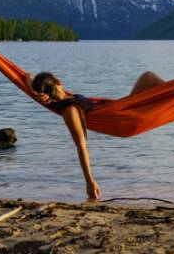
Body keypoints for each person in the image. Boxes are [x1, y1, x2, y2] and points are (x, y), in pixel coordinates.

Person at [29, 70, 165, 201]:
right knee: (150, 79)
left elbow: (28, 76)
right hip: (123, 121)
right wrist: (89, 181)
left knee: (148, 77)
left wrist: (37, 94)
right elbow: (81, 146)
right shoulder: (69, 110)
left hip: (119, 110)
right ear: (58, 82)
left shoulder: (68, 97)